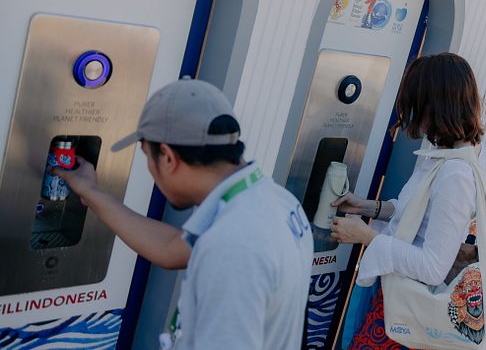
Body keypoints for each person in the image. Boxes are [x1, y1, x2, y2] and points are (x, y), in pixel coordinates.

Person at [52, 78, 313, 349]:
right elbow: (169, 248)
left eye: (147, 157)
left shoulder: (232, 245)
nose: (152, 172)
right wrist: (91, 192)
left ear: (167, 157)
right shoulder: (274, 201)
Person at [329, 53, 486, 349]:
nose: (414, 116)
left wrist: (368, 237)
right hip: (398, 304)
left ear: (436, 105)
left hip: (407, 319)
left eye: (418, 105)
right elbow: (418, 217)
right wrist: (368, 207)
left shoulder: (456, 173)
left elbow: (433, 267)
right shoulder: (452, 153)